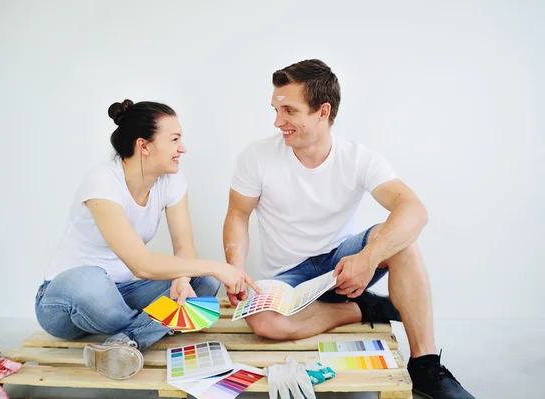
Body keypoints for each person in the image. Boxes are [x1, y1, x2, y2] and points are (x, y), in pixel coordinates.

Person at [223, 60, 474, 398]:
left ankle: (425, 365)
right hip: (287, 276)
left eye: (289, 111)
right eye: (275, 109)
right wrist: (235, 270)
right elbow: (238, 215)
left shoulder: (358, 158)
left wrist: (369, 257)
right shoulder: (256, 157)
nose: (278, 121)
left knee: (403, 241)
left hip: (344, 263)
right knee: (264, 322)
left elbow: (414, 210)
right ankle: (366, 308)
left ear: (322, 111)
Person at [35, 99, 259, 380]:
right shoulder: (102, 181)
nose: (183, 148)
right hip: (65, 301)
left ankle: (124, 341)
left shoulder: (171, 181)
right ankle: (148, 328)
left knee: (204, 283)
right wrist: (217, 265)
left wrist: (182, 279)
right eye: (175, 139)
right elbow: (141, 264)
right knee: (91, 280)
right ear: (144, 146)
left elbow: (183, 248)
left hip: (125, 293)